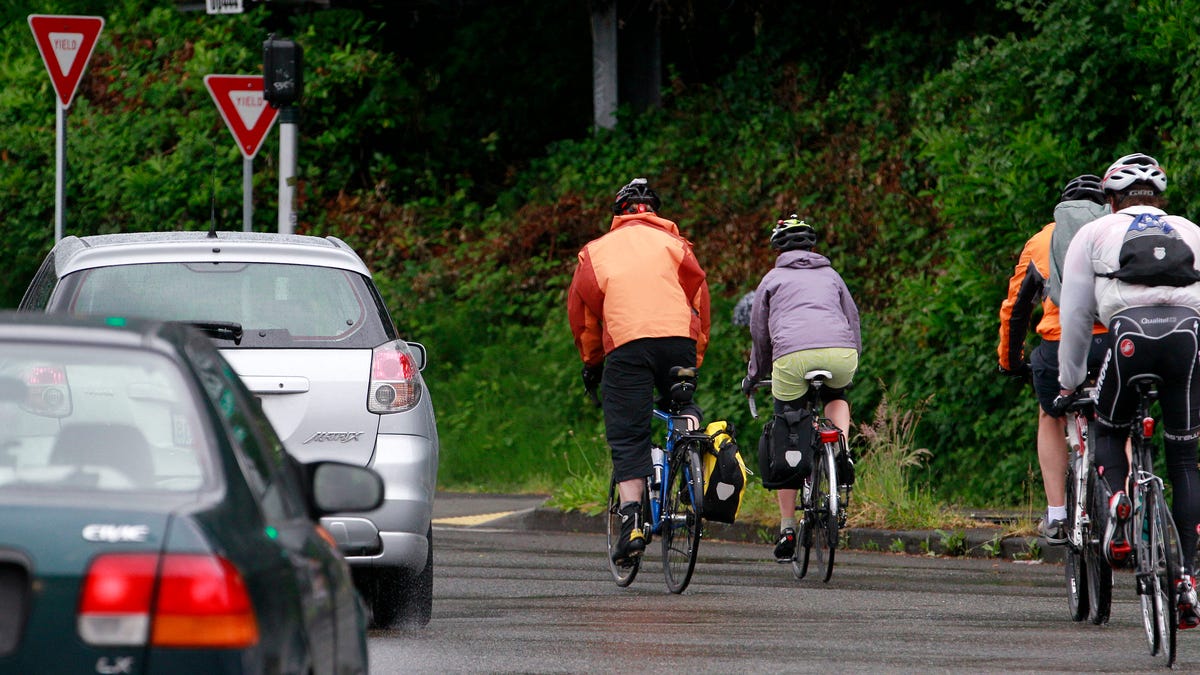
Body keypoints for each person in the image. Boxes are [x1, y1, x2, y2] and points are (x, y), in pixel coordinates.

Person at [1057, 152, 1200, 629]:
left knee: (1106, 429)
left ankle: (1118, 503)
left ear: (1110, 199)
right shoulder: (1190, 230)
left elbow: (1076, 318)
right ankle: (1187, 580)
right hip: (1188, 339)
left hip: (1129, 340)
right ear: (1159, 196)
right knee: (1183, 458)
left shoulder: (1094, 233)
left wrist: (1070, 382)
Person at [567, 178, 711, 567]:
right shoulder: (678, 247)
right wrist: (692, 357)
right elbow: (698, 305)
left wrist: (592, 362)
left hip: (628, 346)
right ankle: (691, 457)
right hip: (678, 341)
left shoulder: (595, 253)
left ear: (618, 214)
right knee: (681, 402)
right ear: (655, 213)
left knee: (629, 432)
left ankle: (632, 519)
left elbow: (585, 320)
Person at [996, 175, 1108, 545]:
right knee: (1119, 416)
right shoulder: (1116, 230)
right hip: (1113, 341)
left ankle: (1058, 514)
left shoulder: (1043, 239)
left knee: (1050, 413)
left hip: (1059, 347)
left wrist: (1010, 361)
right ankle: (1126, 502)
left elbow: (1016, 309)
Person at [741, 215, 861, 562]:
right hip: (841, 353)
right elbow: (852, 321)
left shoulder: (772, 279)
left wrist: (755, 376)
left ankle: (788, 526)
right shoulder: (832, 275)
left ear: (778, 249)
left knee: (788, 428)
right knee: (836, 397)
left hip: (792, 357)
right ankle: (840, 449)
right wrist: (851, 360)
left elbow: (761, 337)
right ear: (812, 247)